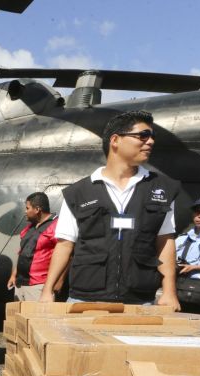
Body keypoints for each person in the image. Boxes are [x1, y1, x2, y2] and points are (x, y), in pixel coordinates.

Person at [39, 110, 181, 309]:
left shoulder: (162, 189)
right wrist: (47, 290)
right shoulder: (78, 192)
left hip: (140, 301)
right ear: (115, 140)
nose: (150, 141)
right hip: (85, 299)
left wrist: (169, 292)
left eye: (152, 136)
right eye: (143, 135)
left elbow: (165, 241)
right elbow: (64, 245)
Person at [6, 191, 59, 301]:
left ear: (37, 209)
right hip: (20, 284)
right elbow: (22, 253)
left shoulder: (56, 226)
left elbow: (66, 256)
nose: (25, 212)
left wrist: (59, 282)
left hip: (39, 285)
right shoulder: (29, 228)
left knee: (37, 313)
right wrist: (13, 275)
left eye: (27, 208)